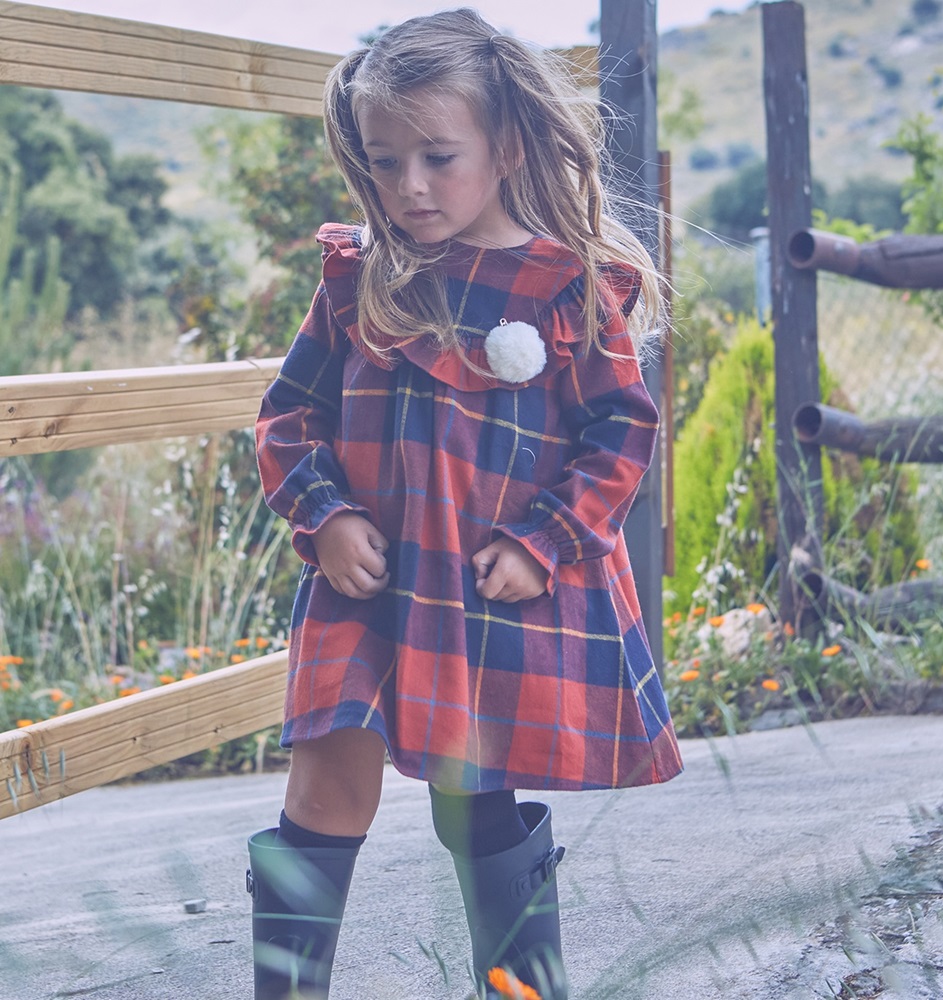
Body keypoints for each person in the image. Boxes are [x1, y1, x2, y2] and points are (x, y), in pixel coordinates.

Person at [246, 8, 683, 999]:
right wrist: (326, 515)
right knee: (322, 787)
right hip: (362, 586)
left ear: (506, 145)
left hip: (483, 593)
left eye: (438, 157)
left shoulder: (566, 286)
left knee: (470, 798)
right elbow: (287, 418)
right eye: (386, 158)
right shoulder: (360, 277)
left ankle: (522, 991)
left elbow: (622, 431)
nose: (409, 186)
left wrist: (546, 540)